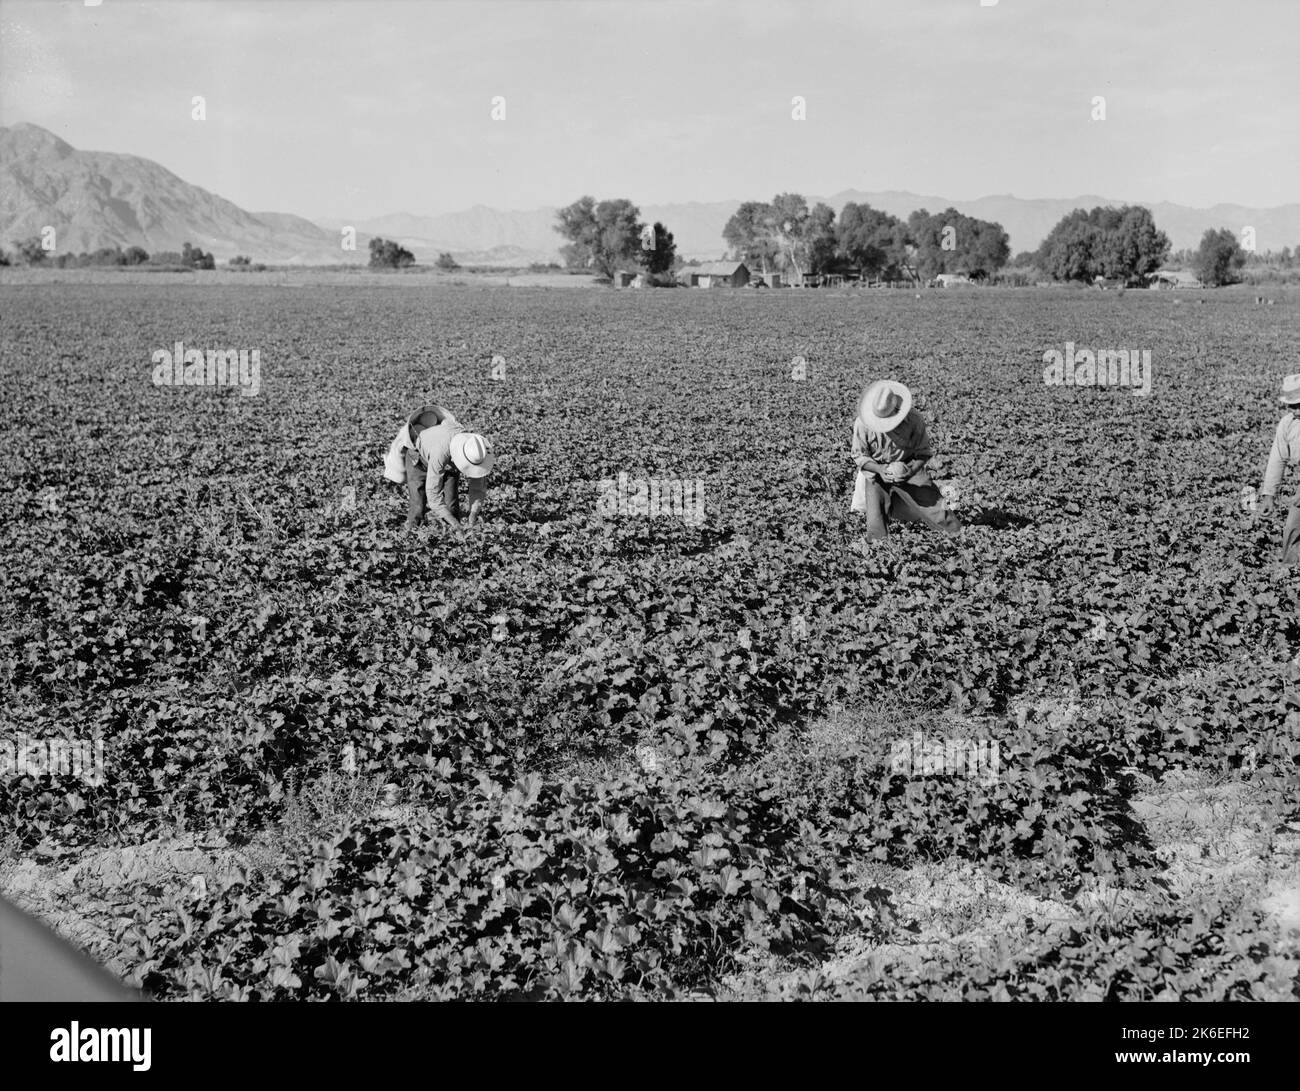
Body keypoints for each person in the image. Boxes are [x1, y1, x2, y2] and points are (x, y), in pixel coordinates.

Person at [851, 379, 961, 540]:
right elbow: (859, 455)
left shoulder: (914, 420)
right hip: (876, 470)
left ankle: (960, 538)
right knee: (875, 522)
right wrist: (880, 470)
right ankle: (879, 551)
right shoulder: (862, 423)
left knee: (938, 511)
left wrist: (911, 470)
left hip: (909, 465)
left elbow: (923, 453)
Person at [383, 404, 495, 531]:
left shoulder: (477, 451)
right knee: (418, 506)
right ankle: (409, 536)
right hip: (418, 460)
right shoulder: (440, 451)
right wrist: (454, 523)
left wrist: (473, 513)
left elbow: (478, 488)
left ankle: (455, 539)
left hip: (447, 460)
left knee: (451, 504)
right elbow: (433, 495)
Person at [1255, 374, 1300, 565]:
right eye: (1290, 404)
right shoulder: (1288, 424)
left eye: (1297, 404)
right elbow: (1277, 459)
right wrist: (1268, 495)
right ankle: (1288, 575)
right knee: (1292, 528)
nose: (1292, 409)